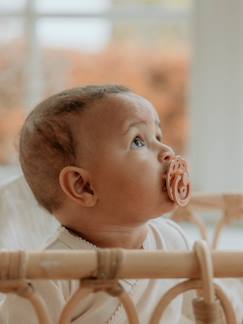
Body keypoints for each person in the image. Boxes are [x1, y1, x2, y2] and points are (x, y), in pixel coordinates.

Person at [0, 85, 194, 323]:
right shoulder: (48, 274)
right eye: (137, 142)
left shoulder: (173, 240)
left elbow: (199, 311)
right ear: (83, 186)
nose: (167, 151)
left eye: (158, 136)